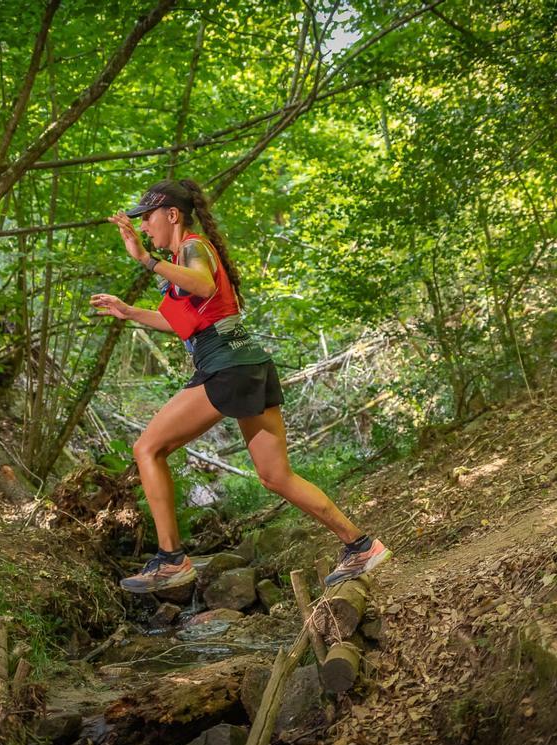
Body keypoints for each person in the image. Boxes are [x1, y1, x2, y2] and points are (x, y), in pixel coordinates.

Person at [90, 179, 390, 593]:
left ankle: (171, 560)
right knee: (275, 476)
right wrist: (128, 312)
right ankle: (361, 546)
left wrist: (144, 260)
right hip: (249, 365)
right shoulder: (183, 259)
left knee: (148, 448)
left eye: (147, 218)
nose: (144, 227)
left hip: (226, 367)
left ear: (172, 215)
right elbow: (182, 323)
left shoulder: (193, 248)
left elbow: (205, 285)